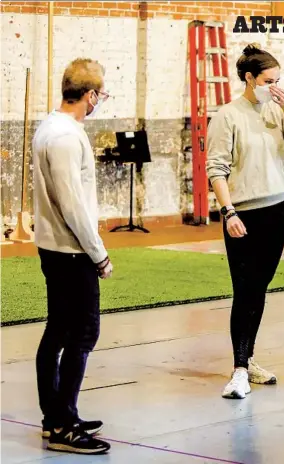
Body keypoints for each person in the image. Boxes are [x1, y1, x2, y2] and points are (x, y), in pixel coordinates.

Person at [206, 43, 284, 399]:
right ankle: (238, 369)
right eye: (269, 81)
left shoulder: (277, 112)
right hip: (242, 214)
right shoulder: (227, 115)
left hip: (276, 209)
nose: (275, 87)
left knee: (260, 287)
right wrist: (228, 212)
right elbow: (217, 168)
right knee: (245, 288)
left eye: (279, 81)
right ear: (249, 78)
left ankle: (247, 358)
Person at [33, 58, 112, 454]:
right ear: (91, 95)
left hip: (58, 248)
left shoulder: (52, 127)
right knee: (80, 334)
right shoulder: (65, 137)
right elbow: (72, 205)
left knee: (59, 332)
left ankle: (58, 416)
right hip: (71, 251)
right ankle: (62, 426)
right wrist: (98, 254)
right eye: (102, 94)